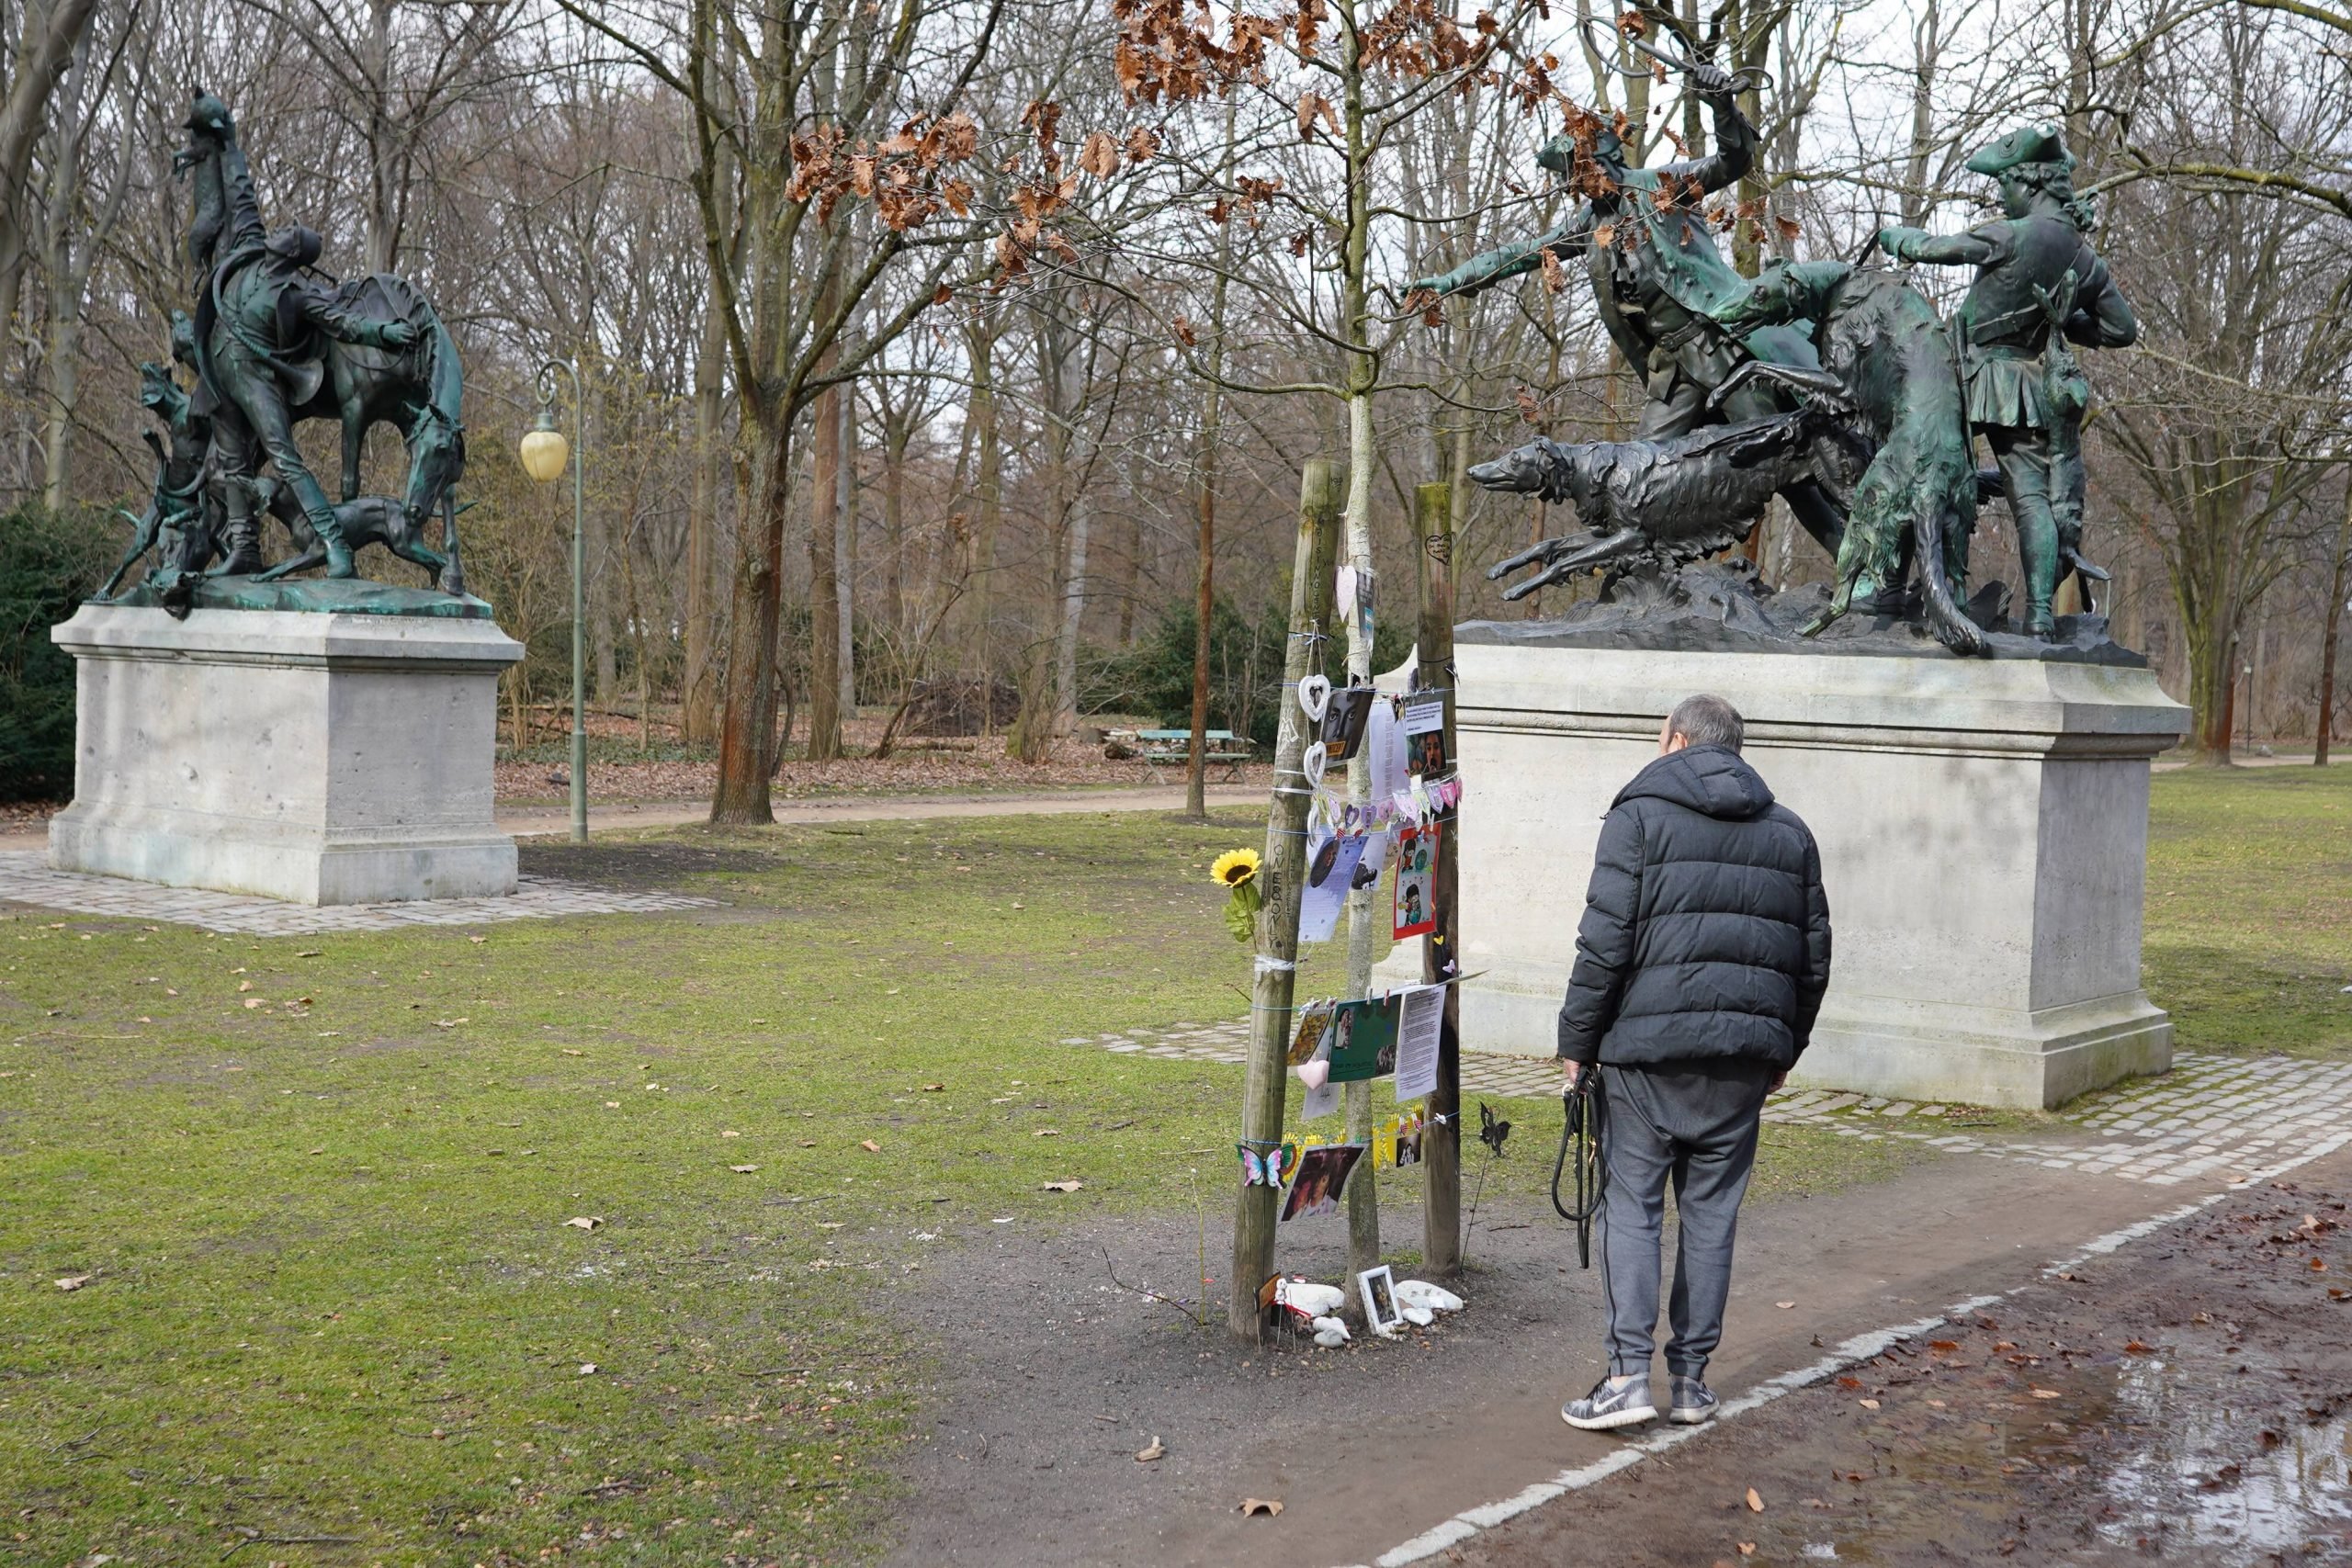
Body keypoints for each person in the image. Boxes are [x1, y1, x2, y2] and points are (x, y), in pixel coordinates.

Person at [1555, 694, 1831, 1431]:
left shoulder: (1637, 817)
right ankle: (1691, 1381)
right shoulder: (1791, 833)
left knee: (1633, 1208)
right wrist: (1784, 1051)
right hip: (1742, 1063)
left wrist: (1576, 1046)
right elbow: (1813, 962)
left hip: (1648, 1061)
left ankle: (1624, 1376)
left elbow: (1603, 944)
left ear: (1677, 740)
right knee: (1711, 1218)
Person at [1876, 122, 2137, 637]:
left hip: (1964, 374)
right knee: (2032, 499)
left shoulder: (2009, 235)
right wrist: (2062, 322)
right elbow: (2121, 329)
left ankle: (1888, 590)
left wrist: (1898, 239)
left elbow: (1935, 249)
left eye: (2005, 184)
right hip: (2025, 386)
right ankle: (2040, 614)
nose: (2001, 194)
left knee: (1917, 466)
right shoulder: (2084, 257)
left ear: (2030, 184)